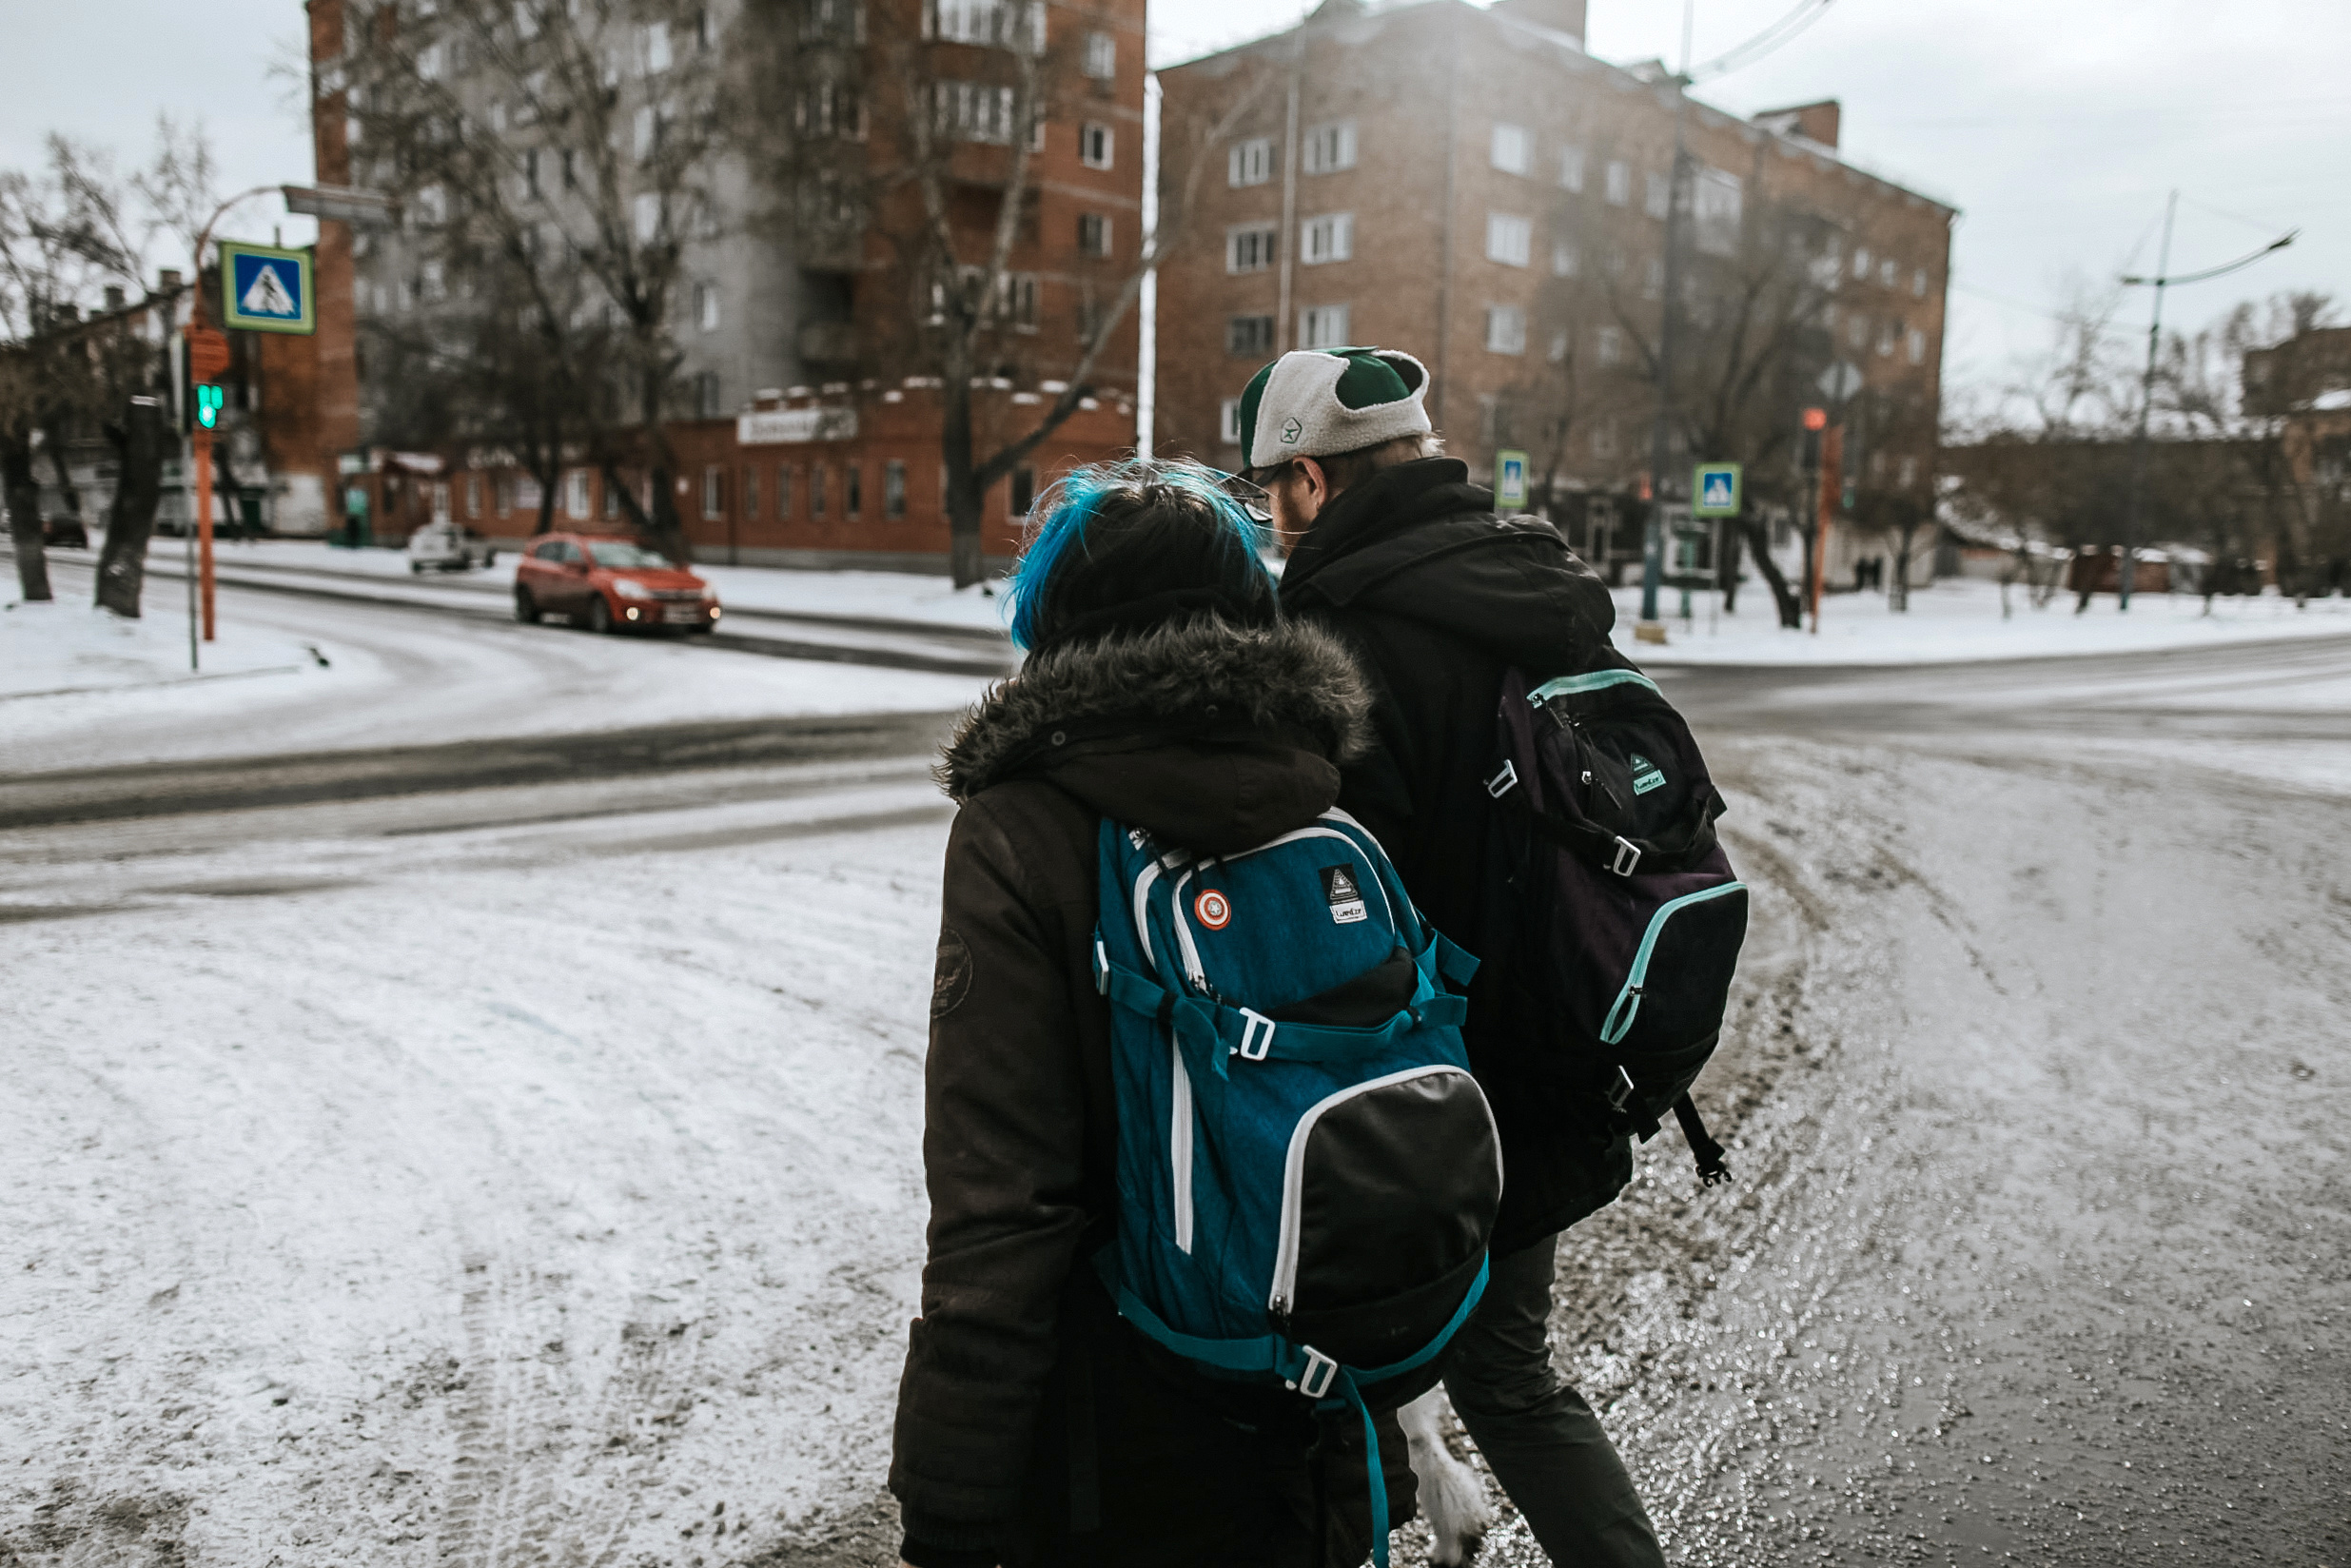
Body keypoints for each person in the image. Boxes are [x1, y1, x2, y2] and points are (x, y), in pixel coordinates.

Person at [889, 458, 1418, 1568]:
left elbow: (1001, 1196)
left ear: (1052, 615)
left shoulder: (1022, 825)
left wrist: (952, 1492)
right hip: (1304, 1402)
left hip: (1109, 1435)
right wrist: (1376, 1425)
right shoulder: (1317, 790)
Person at [1236, 346, 1668, 1567]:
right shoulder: (1533, 575)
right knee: (1506, 1370)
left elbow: (1329, 884)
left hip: (1415, 1081)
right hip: (1566, 1036)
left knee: (1347, 1378)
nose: (1272, 520)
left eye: (1272, 491)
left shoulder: (1333, 626)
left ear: (1310, 483)